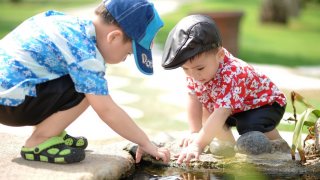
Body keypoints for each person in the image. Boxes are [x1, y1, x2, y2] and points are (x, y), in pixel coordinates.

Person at [0, 0, 170, 164]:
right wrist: (145, 143)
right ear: (114, 37)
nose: (125, 59)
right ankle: (40, 140)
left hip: (9, 96)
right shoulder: (85, 52)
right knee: (89, 89)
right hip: (11, 106)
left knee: (80, 80)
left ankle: (52, 131)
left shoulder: (68, 24)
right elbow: (106, 110)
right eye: (128, 54)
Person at [161, 14, 287, 164]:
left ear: (220, 55)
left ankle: (280, 147)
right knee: (208, 113)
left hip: (265, 105)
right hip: (235, 108)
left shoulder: (233, 73)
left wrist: (197, 145)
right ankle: (229, 150)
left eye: (199, 68)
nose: (193, 75)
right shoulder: (196, 72)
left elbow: (222, 112)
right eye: (185, 69)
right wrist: (195, 132)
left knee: (248, 126)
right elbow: (193, 98)